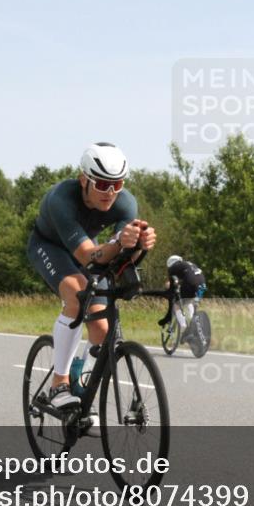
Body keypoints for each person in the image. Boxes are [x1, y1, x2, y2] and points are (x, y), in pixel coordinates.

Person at [27, 142, 156, 410]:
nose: (110, 193)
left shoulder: (126, 203)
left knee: (101, 327)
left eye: (117, 184)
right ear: (84, 179)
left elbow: (120, 260)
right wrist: (119, 242)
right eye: (102, 184)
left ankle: (81, 387)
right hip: (50, 246)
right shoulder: (61, 199)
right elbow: (88, 256)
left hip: (90, 246)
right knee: (77, 295)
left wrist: (138, 246)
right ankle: (59, 384)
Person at [161, 256, 207, 336]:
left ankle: (183, 326)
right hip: (202, 284)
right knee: (189, 301)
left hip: (191, 282)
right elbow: (190, 275)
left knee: (176, 305)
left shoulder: (173, 268)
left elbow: (169, 284)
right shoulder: (189, 264)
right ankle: (193, 324)